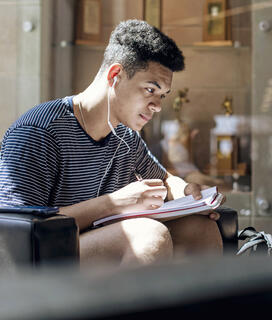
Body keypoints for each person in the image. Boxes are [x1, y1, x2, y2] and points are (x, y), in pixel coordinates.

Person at [0, 20, 223, 267]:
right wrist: (112, 204)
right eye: (151, 90)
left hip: (89, 251)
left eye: (162, 96)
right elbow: (15, 229)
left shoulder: (125, 136)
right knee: (148, 236)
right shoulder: (38, 131)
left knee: (200, 228)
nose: (158, 106)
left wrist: (187, 192)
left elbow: (165, 181)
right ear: (115, 75)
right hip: (42, 261)